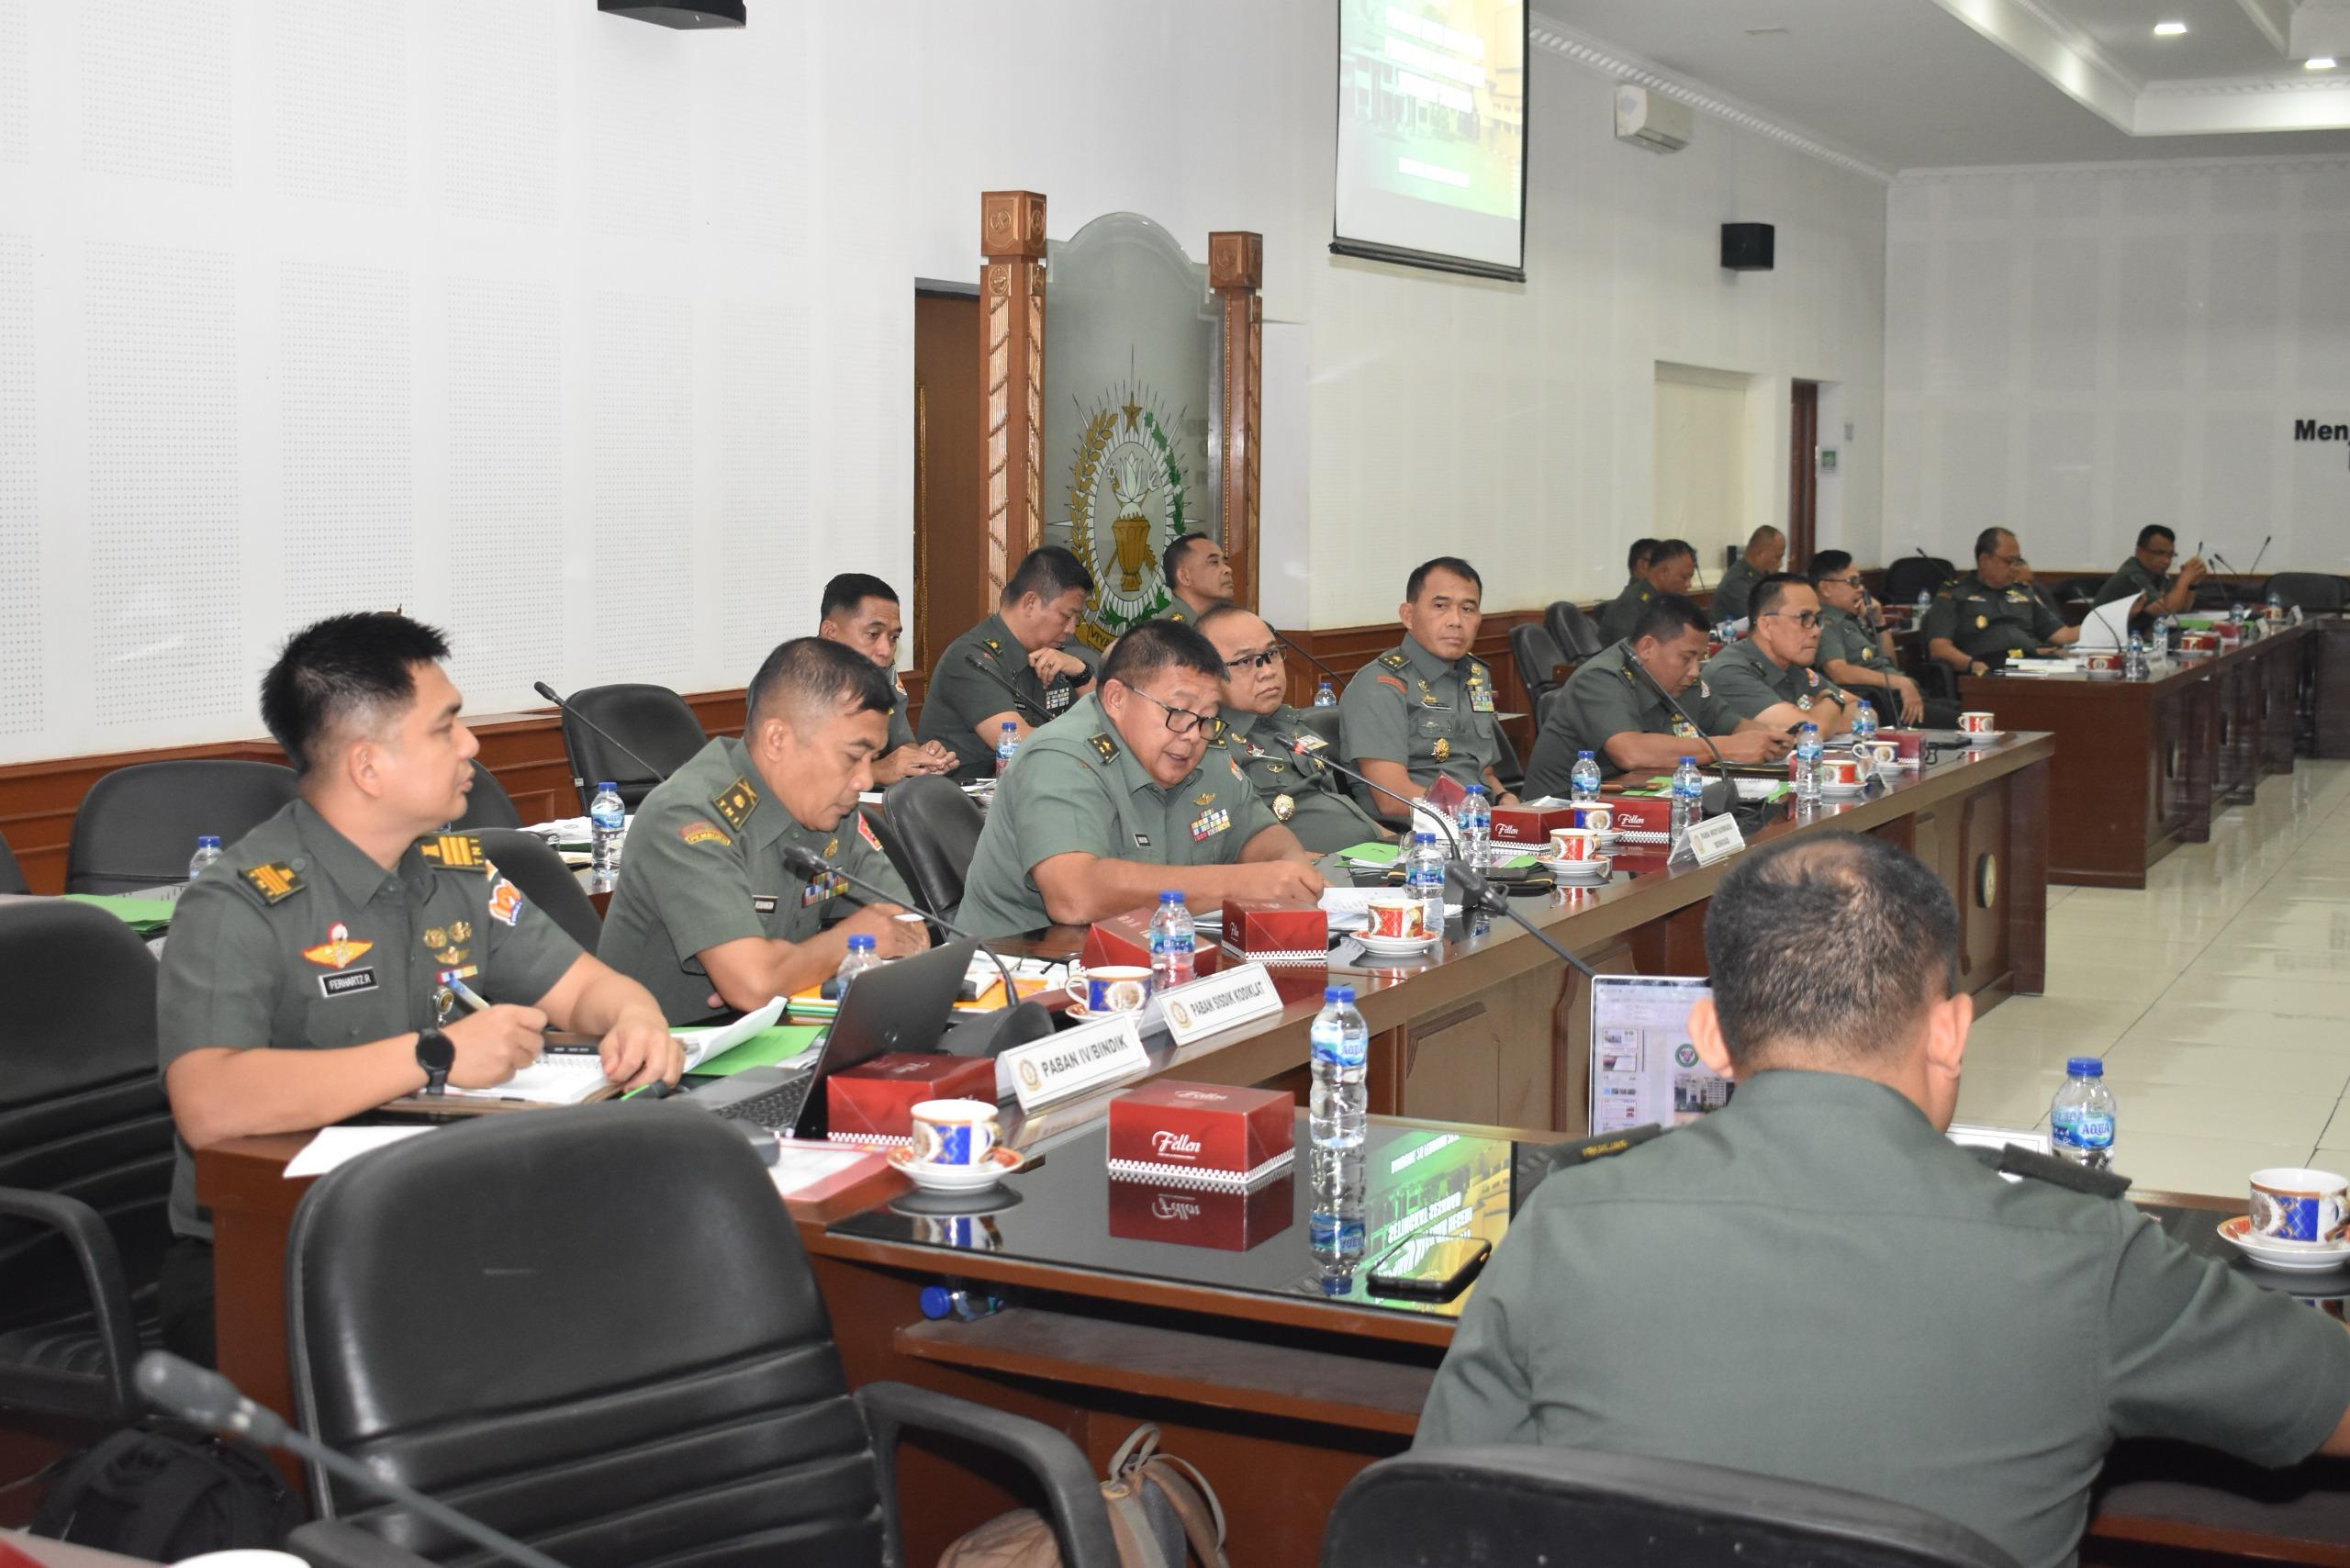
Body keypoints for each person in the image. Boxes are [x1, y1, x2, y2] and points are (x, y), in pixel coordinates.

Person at [1417, 832, 2350, 1568]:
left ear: (1709, 1035)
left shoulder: (1566, 1221)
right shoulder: (2082, 1248)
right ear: (1950, 1031)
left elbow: (1438, 1512)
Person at [155, 613, 683, 1364]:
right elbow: (209, 1103)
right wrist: (435, 1054)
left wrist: (636, 1016)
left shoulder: (451, 870)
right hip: (273, 1250)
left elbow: (585, 988)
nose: (472, 746)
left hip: (433, 1221)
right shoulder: (240, 903)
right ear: (368, 767)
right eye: (445, 728)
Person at [599, 638, 928, 1025]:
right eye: (853, 757)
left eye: (872, 759)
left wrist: (784, 970)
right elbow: (753, 985)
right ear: (777, 740)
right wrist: (846, 943)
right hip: (667, 1051)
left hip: (778, 1037)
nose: (865, 780)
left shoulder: (834, 810)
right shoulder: (689, 816)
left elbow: (908, 929)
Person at [957, 620, 1327, 937]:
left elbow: (1257, 833)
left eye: (1207, 716)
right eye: (1177, 711)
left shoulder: (1203, 743)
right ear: (1116, 699)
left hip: (1155, 956)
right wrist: (1243, 884)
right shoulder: (1061, 757)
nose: (1192, 734)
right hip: (1025, 970)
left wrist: (1291, 867)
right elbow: (1074, 896)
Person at [1524, 594, 1791, 792]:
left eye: (1700, 658)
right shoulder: (1600, 678)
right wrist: (1727, 748)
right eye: (1686, 657)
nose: (1695, 671)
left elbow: (1733, 725)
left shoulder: (1685, 681)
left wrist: (1767, 740)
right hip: (1562, 819)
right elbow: (1630, 752)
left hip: (1641, 806)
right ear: (1647, 647)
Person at [1199, 603, 1390, 854]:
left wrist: (1402, 846)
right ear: (1206, 673)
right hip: (1320, 871)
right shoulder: (1207, 748)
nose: (1268, 671)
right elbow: (1232, 854)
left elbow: (1339, 809)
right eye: (1245, 661)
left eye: (1272, 653)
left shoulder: (1292, 724)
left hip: (1368, 860)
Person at [1337, 556, 1519, 814]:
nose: (1456, 620)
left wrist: (1504, 797)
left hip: (1481, 820)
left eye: (1468, 609)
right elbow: (1391, 799)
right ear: (1408, 615)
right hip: (1418, 832)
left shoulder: (1477, 676)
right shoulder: (1381, 685)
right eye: (1440, 606)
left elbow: (1483, 772)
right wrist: (1476, 815)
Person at [919, 545, 1096, 776]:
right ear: (1030, 602)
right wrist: (1086, 742)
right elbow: (1020, 746)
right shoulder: (972, 659)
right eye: (1066, 616)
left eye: (1076, 619)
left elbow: (1104, 726)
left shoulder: (1056, 656)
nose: (1071, 629)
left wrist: (1080, 673)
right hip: (964, 795)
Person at [817, 572, 956, 783]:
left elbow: (901, 743)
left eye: (893, 637)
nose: (886, 650)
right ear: (830, 632)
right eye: (873, 634)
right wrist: (877, 771)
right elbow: (798, 777)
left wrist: (922, 760)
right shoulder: (793, 683)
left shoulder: (882, 672)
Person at [1701, 574, 1856, 737]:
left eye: (1817, 619)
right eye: (1804, 617)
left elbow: (1863, 711)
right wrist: (1831, 699)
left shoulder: (1792, 665)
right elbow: (1814, 731)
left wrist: (1817, 715)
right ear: (1766, 626)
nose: (1816, 631)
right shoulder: (1729, 671)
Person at [1923, 528, 2077, 675]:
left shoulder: (2023, 593)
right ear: (1984, 560)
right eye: (2009, 561)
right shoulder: (1955, 594)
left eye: (2017, 561)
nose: (2015, 568)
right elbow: (1939, 648)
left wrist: (2091, 626)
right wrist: (1972, 665)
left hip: (2030, 665)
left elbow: (2062, 635)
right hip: (1987, 668)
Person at [1809, 551, 1925, 724]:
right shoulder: (1826, 622)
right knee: (1958, 723)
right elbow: (1838, 671)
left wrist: (1879, 621)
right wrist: (1900, 682)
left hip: (1901, 695)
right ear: (1826, 588)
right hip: (1883, 702)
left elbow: (1890, 664)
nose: (1861, 589)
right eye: (1853, 582)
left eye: (1860, 582)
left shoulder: (1851, 619)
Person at [2096, 525, 2206, 624]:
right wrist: (2185, 578)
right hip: (2105, 638)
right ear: (2139, 551)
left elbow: (2180, 609)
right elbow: (2165, 610)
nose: (2166, 561)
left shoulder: (2156, 574)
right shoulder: (2132, 575)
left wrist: (2192, 584)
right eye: (2159, 553)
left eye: (2170, 555)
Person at [1596, 537, 1690, 645]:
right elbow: (1632, 651)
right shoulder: (1631, 603)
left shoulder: (1660, 598)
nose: (1688, 584)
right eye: (1655, 561)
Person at [1710, 525, 1785, 624]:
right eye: (1777, 557)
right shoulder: (1736, 583)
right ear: (1759, 553)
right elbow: (1757, 622)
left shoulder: (1763, 577)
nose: (1780, 564)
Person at [1155, 532, 1235, 624]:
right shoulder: (1167, 630)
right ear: (1185, 577)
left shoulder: (1222, 624)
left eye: (1225, 562)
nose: (1228, 569)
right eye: (1214, 562)